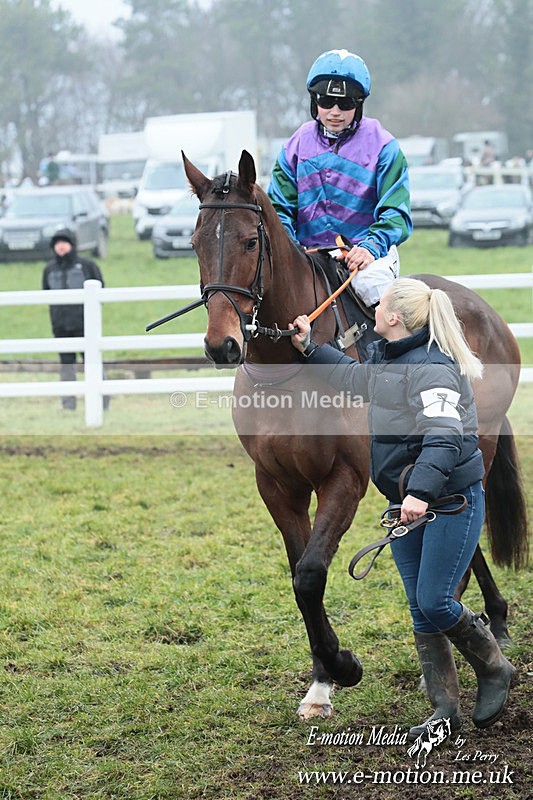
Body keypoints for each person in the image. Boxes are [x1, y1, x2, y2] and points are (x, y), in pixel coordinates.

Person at [289, 277, 514, 739]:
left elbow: (445, 437)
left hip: (448, 503)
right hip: (407, 502)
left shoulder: (433, 369)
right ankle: (444, 711)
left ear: (393, 317)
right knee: (420, 608)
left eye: (380, 304)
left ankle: (494, 667)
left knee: (435, 601)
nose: (373, 308)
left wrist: (420, 493)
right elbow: (353, 379)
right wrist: (310, 347)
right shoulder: (391, 357)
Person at [268, 48, 412, 308]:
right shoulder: (294, 146)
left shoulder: (385, 147)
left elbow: (397, 215)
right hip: (306, 254)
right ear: (315, 101)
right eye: (326, 101)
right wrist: (291, 249)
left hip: (366, 255)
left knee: (372, 287)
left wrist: (370, 247)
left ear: (359, 104)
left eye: (345, 104)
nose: (335, 111)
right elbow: (279, 208)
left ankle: (394, 336)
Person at [42, 229, 107, 411]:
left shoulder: (87, 266)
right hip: (60, 326)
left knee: (92, 363)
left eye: (64, 242)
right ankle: (68, 405)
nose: (60, 246)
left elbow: (101, 291)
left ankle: (102, 402)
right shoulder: (49, 269)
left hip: (85, 324)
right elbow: (46, 294)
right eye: (57, 243)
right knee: (66, 366)